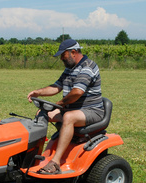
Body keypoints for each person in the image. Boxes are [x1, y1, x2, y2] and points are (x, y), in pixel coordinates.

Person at [27, 39, 104, 174]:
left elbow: (77, 92)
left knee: (68, 117)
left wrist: (60, 104)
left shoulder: (88, 67)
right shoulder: (70, 69)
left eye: (63, 55)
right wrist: (38, 92)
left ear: (73, 52)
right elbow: (57, 86)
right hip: (73, 109)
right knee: (42, 113)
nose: (62, 59)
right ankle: (33, 155)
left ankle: (55, 163)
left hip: (91, 110)